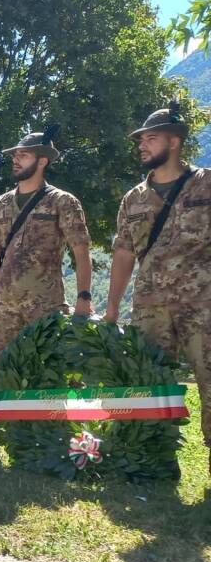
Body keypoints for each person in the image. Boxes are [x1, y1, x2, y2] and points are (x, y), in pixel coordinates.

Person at [0, 128, 91, 456]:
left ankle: (63, 439)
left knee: (53, 368)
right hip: (5, 305)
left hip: (45, 305)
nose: (16, 159)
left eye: (24, 155)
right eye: (16, 154)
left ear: (43, 160)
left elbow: (81, 251)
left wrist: (84, 298)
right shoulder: (1, 204)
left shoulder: (62, 202)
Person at [105, 106, 210, 475]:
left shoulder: (206, 184)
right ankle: (156, 461)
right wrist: (113, 308)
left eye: (151, 138)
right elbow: (123, 253)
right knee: (149, 381)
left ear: (174, 140)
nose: (143, 145)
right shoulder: (133, 198)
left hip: (203, 304)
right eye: (141, 140)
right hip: (150, 306)